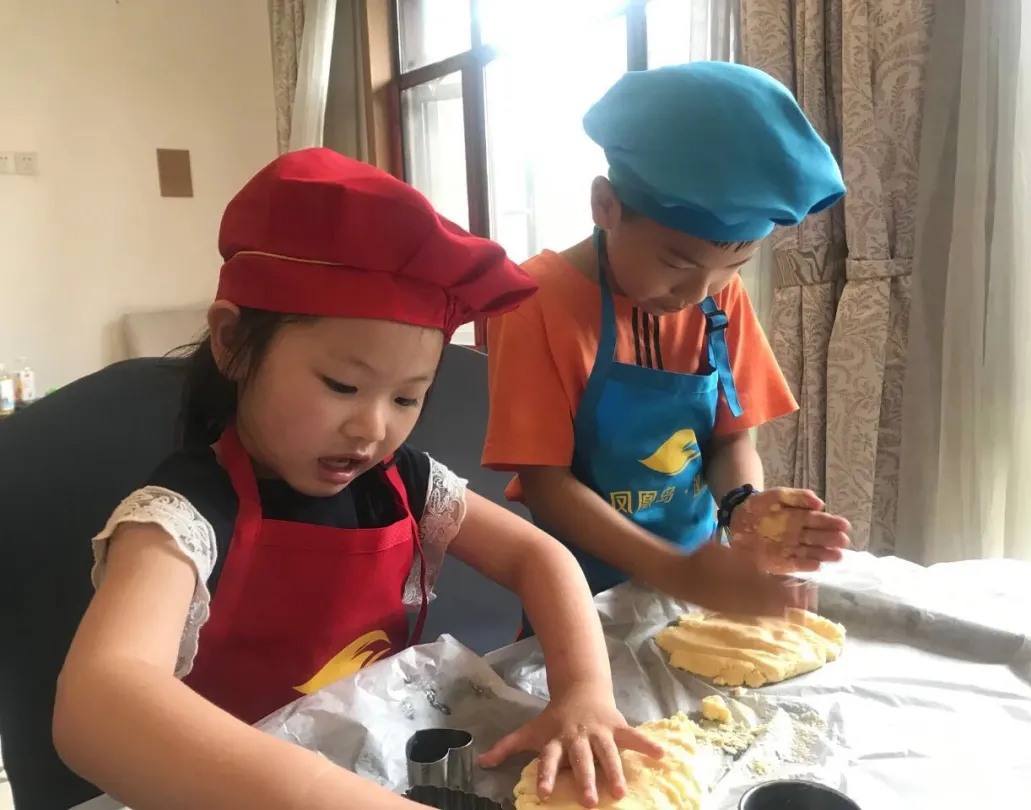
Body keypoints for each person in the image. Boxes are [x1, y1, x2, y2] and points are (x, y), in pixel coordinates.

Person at [53, 148, 662, 810]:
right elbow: (99, 703)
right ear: (231, 342)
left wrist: (583, 692)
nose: (372, 428)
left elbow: (537, 556)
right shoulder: (183, 519)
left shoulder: (403, 485)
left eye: (406, 398)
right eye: (342, 385)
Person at [483, 62, 853, 630]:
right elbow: (548, 487)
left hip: (694, 593)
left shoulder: (718, 299)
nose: (697, 293)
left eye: (735, 266)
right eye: (676, 263)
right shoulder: (535, 302)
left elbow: (730, 440)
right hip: (580, 602)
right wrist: (678, 573)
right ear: (605, 205)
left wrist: (743, 509)